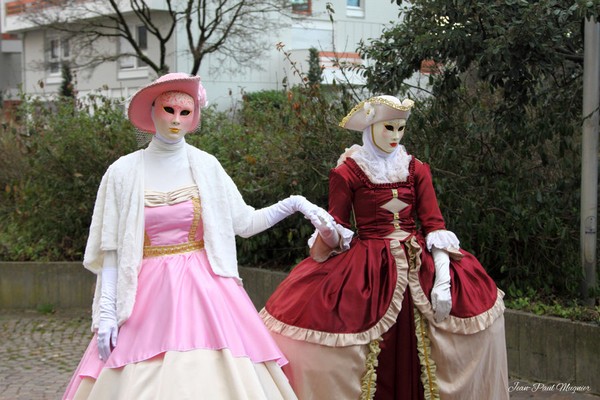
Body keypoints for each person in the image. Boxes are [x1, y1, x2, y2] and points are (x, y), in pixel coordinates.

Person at [63, 72, 338, 399]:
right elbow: (110, 251)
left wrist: (295, 203)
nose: (176, 119)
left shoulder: (207, 166)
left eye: (185, 112)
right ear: (152, 111)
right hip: (143, 294)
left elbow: (245, 222)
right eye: (169, 110)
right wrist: (106, 314)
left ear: (195, 116)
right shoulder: (121, 172)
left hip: (208, 289)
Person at [260, 96, 510, 400]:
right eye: (388, 127)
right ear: (371, 127)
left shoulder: (417, 169)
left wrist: (443, 277)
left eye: (400, 129)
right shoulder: (347, 173)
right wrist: (324, 226)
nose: (395, 136)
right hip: (368, 267)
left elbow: (434, 225)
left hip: (420, 264)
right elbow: (337, 226)